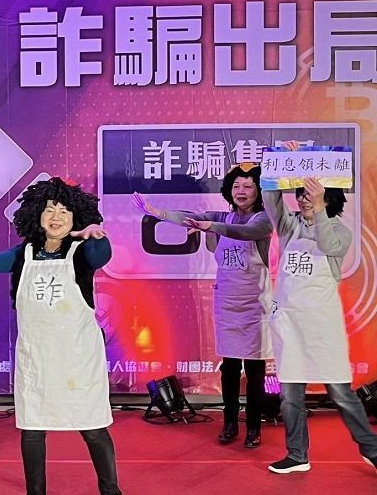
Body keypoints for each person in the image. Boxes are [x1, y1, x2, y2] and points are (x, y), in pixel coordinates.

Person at [0, 177, 121, 495]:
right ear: (37, 214)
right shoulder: (25, 252)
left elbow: (101, 256)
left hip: (77, 361)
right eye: (50, 209)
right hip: (37, 359)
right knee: (33, 429)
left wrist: (98, 236)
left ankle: (110, 490)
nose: (56, 216)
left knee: (92, 427)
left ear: (76, 217)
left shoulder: (82, 252)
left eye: (64, 211)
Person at [131, 163, 273, 448]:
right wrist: (158, 213)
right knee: (229, 368)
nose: (241, 191)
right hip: (227, 302)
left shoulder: (263, 220)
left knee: (255, 370)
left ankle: (254, 428)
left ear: (259, 191)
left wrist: (212, 227)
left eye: (248, 186)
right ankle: (230, 423)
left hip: (255, 305)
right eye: (236, 186)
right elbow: (190, 219)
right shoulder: (221, 216)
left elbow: (242, 233)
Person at [263, 141, 377, 474]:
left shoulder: (340, 232)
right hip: (290, 323)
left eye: (310, 194)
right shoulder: (289, 227)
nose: (303, 199)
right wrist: (281, 161)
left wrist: (319, 207)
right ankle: (297, 454)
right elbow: (271, 200)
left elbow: (328, 244)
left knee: (340, 393)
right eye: (300, 193)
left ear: (329, 199)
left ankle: (372, 450)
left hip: (322, 326)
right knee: (290, 395)